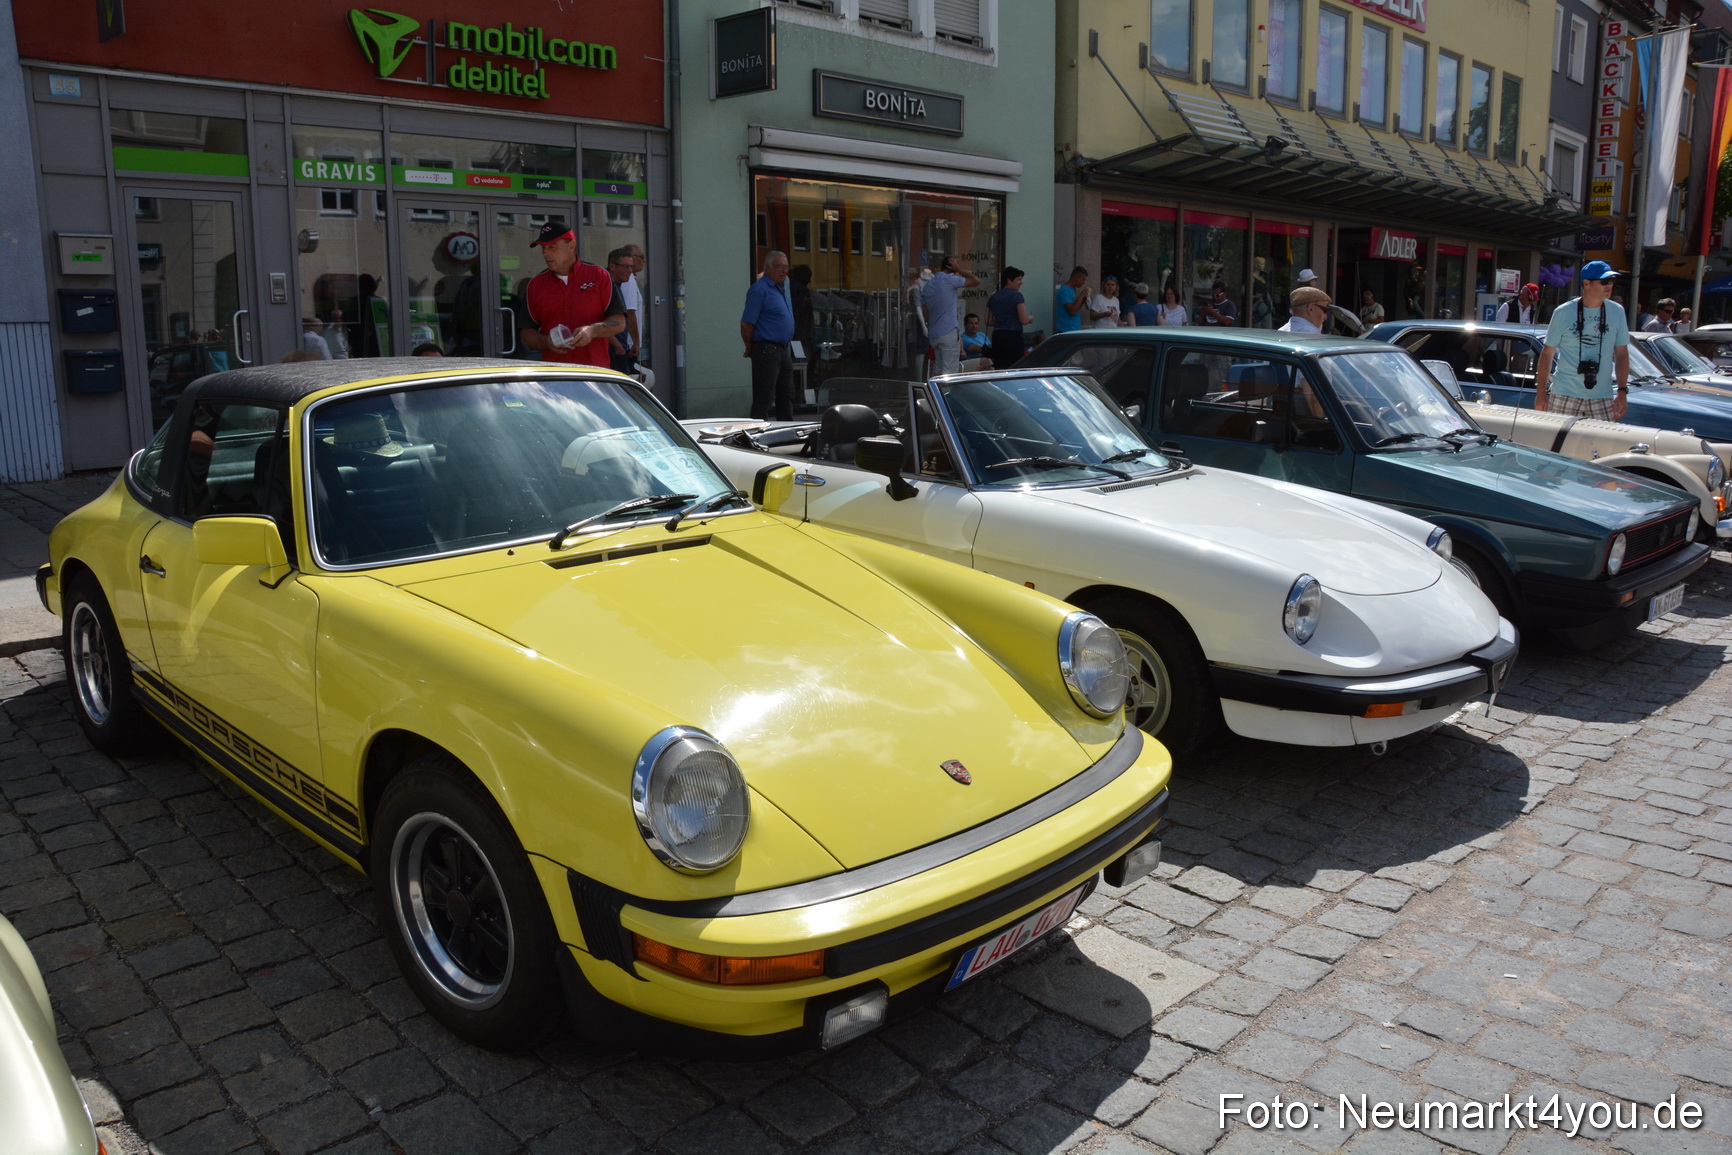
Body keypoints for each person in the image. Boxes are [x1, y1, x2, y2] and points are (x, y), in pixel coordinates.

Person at [518, 221, 626, 368]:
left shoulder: (599, 276)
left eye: (552, 247)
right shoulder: (536, 284)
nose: (546, 253)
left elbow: (620, 322)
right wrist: (545, 341)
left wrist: (592, 330)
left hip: (594, 373)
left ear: (571, 246)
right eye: (543, 248)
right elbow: (526, 334)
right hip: (555, 374)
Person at [1535, 260, 1630, 420]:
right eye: (1604, 281)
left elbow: (1621, 354)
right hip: (1564, 393)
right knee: (1558, 444)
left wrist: (1622, 391)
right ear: (1586, 283)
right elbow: (1547, 354)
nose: (1609, 285)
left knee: (1601, 444)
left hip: (1602, 396)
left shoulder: (1617, 312)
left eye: (1612, 281)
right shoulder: (1563, 312)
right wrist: (1541, 393)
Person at [740, 250, 797, 421]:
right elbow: (746, 323)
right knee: (765, 397)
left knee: (786, 394)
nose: (784, 271)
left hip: (783, 348)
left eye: (786, 267)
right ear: (768, 268)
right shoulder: (760, 290)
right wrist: (750, 346)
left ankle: (787, 431)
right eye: (779, 267)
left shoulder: (782, 288)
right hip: (766, 348)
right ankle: (757, 432)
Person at [920, 254, 980, 375]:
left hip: (934, 333)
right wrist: (959, 270)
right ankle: (946, 393)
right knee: (950, 371)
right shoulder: (949, 279)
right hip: (948, 330)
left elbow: (925, 311)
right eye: (956, 264)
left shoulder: (928, 285)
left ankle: (935, 392)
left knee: (938, 368)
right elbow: (976, 281)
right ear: (951, 266)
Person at [987, 266, 1034, 368]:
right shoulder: (1017, 296)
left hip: (998, 337)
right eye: (1018, 279)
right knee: (1015, 368)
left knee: (1000, 367)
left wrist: (1002, 320)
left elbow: (988, 321)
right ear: (1009, 280)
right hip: (1013, 337)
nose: (1021, 282)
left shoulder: (993, 297)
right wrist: (1030, 318)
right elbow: (1023, 320)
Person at [605, 247, 640, 375]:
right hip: (610, 350)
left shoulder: (617, 285)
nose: (629, 271)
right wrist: (617, 346)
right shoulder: (605, 284)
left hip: (618, 347)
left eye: (631, 267)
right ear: (612, 266)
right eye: (625, 267)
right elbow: (596, 318)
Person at [357, 274, 391, 358]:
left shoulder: (354, 301)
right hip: (377, 341)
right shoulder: (378, 301)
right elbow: (386, 319)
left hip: (359, 342)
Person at [1055, 267, 1088, 333]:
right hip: (1066, 329)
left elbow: (1076, 309)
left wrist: (1083, 301)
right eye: (1083, 279)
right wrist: (1081, 296)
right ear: (1077, 277)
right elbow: (1072, 311)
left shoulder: (1072, 290)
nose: (1084, 283)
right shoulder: (1065, 290)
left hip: (1074, 328)